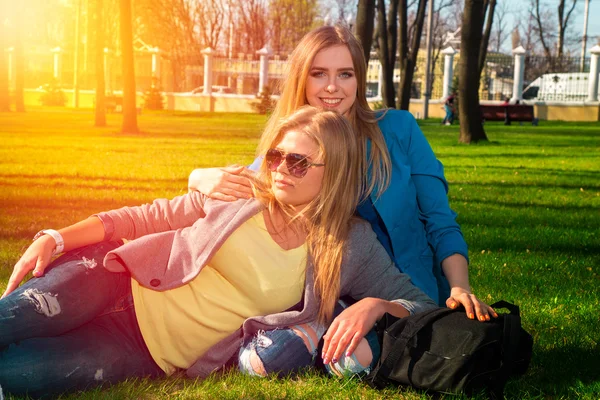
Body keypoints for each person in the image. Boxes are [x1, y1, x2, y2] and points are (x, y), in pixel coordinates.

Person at [0, 107, 437, 397]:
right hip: (115, 281)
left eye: (299, 162)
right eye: (275, 156)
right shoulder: (241, 192)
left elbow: (421, 304)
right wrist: (56, 238)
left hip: (144, 351)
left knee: (18, 374)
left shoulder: (349, 243)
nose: (280, 169)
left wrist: (378, 306)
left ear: (334, 173)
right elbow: (144, 217)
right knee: (14, 317)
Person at [188, 25, 496, 321]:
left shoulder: (399, 129)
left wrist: (459, 287)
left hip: (409, 291)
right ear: (302, 79)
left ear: (358, 80)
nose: (332, 86)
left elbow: (439, 219)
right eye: (319, 73)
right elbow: (248, 187)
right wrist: (197, 177)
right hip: (329, 297)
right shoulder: (292, 144)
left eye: (345, 74)